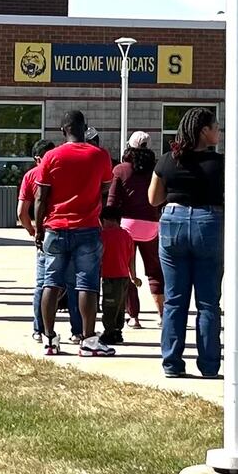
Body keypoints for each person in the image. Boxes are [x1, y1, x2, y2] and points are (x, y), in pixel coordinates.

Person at [148, 106, 225, 378]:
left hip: (172, 222)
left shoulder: (168, 160)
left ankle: (171, 363)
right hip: (208, 222)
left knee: (174, 300)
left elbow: (153, 199)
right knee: (208, 302)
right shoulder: (219, 164)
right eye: (215, 127)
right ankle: (209, 365)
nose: (219, 131)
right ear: (204, 131)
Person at [34, 110, 114, 358]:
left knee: (51, 282)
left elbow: (40, 197)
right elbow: (104, 189)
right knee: (87, 285)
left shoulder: (50, 157)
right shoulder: (100, 156)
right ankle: (88, 340)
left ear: (62, 131)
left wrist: (38, 228)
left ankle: (49, 338)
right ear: (85, 128)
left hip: (55, 228)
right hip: (88, 227)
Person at [20, 139, 85, 351]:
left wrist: (33, 231)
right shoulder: (64, 170)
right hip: (72, 228)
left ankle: (40, 330)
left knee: (44, 283)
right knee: (74, 284)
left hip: (47, 232)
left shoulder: (31, 175)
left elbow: (22, 211)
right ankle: (78, 331)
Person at [109, 131, 164, 328]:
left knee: (127, 270)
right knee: (155, 271)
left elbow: (112, 201)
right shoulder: (157, 169)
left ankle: (133, 316)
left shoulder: (120, 170)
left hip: (127, 226)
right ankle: (162, 315)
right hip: (151, 225)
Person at [99, 207, 139, 345]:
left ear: (104, 220)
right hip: (124, 277)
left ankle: (109, 332)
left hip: (110, 278)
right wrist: (133, 276)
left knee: (109, 306)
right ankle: (118, 331)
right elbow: (131, 257)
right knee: (120, 306)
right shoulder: (127, 235)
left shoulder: (103, 236)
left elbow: (99, 256)